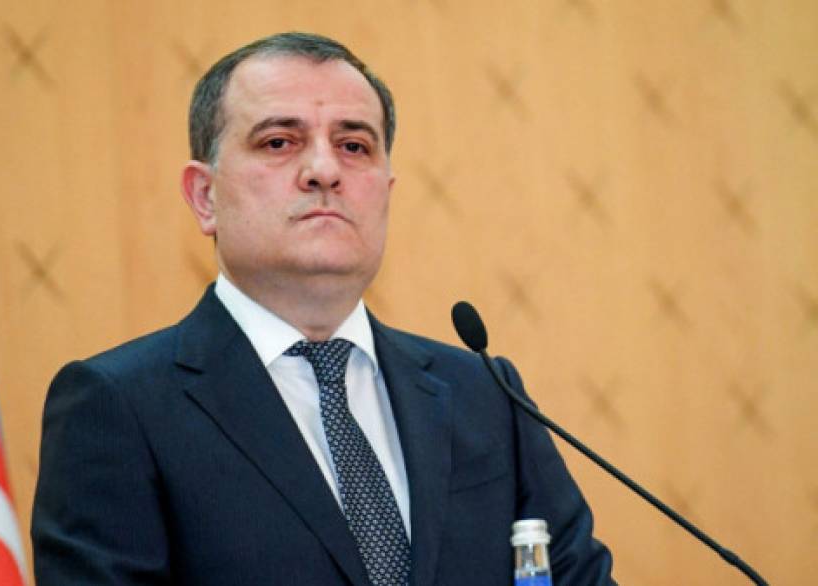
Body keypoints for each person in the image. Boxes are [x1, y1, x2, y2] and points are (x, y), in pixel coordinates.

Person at [31, 32, 615, 585]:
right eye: (278, 142)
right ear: (205, 197)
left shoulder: (485, 394)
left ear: (386, 192)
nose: (325, 171)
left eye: (353, 146)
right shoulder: (117, 406)